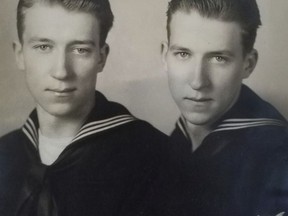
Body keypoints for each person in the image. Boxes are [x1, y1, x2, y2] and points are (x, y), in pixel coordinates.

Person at [0, 0, 170, 215]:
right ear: (19, 54)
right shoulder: (5, 153)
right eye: (44, 47)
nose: (61, 71)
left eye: (80, 50)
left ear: (101, 57)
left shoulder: (156, 157)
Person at [161, 0, 288, 215]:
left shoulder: (277, 157)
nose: (198, 81)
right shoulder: (177, 137)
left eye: (219, 58)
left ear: (248, 64)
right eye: (183, 54)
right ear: (165, 56)